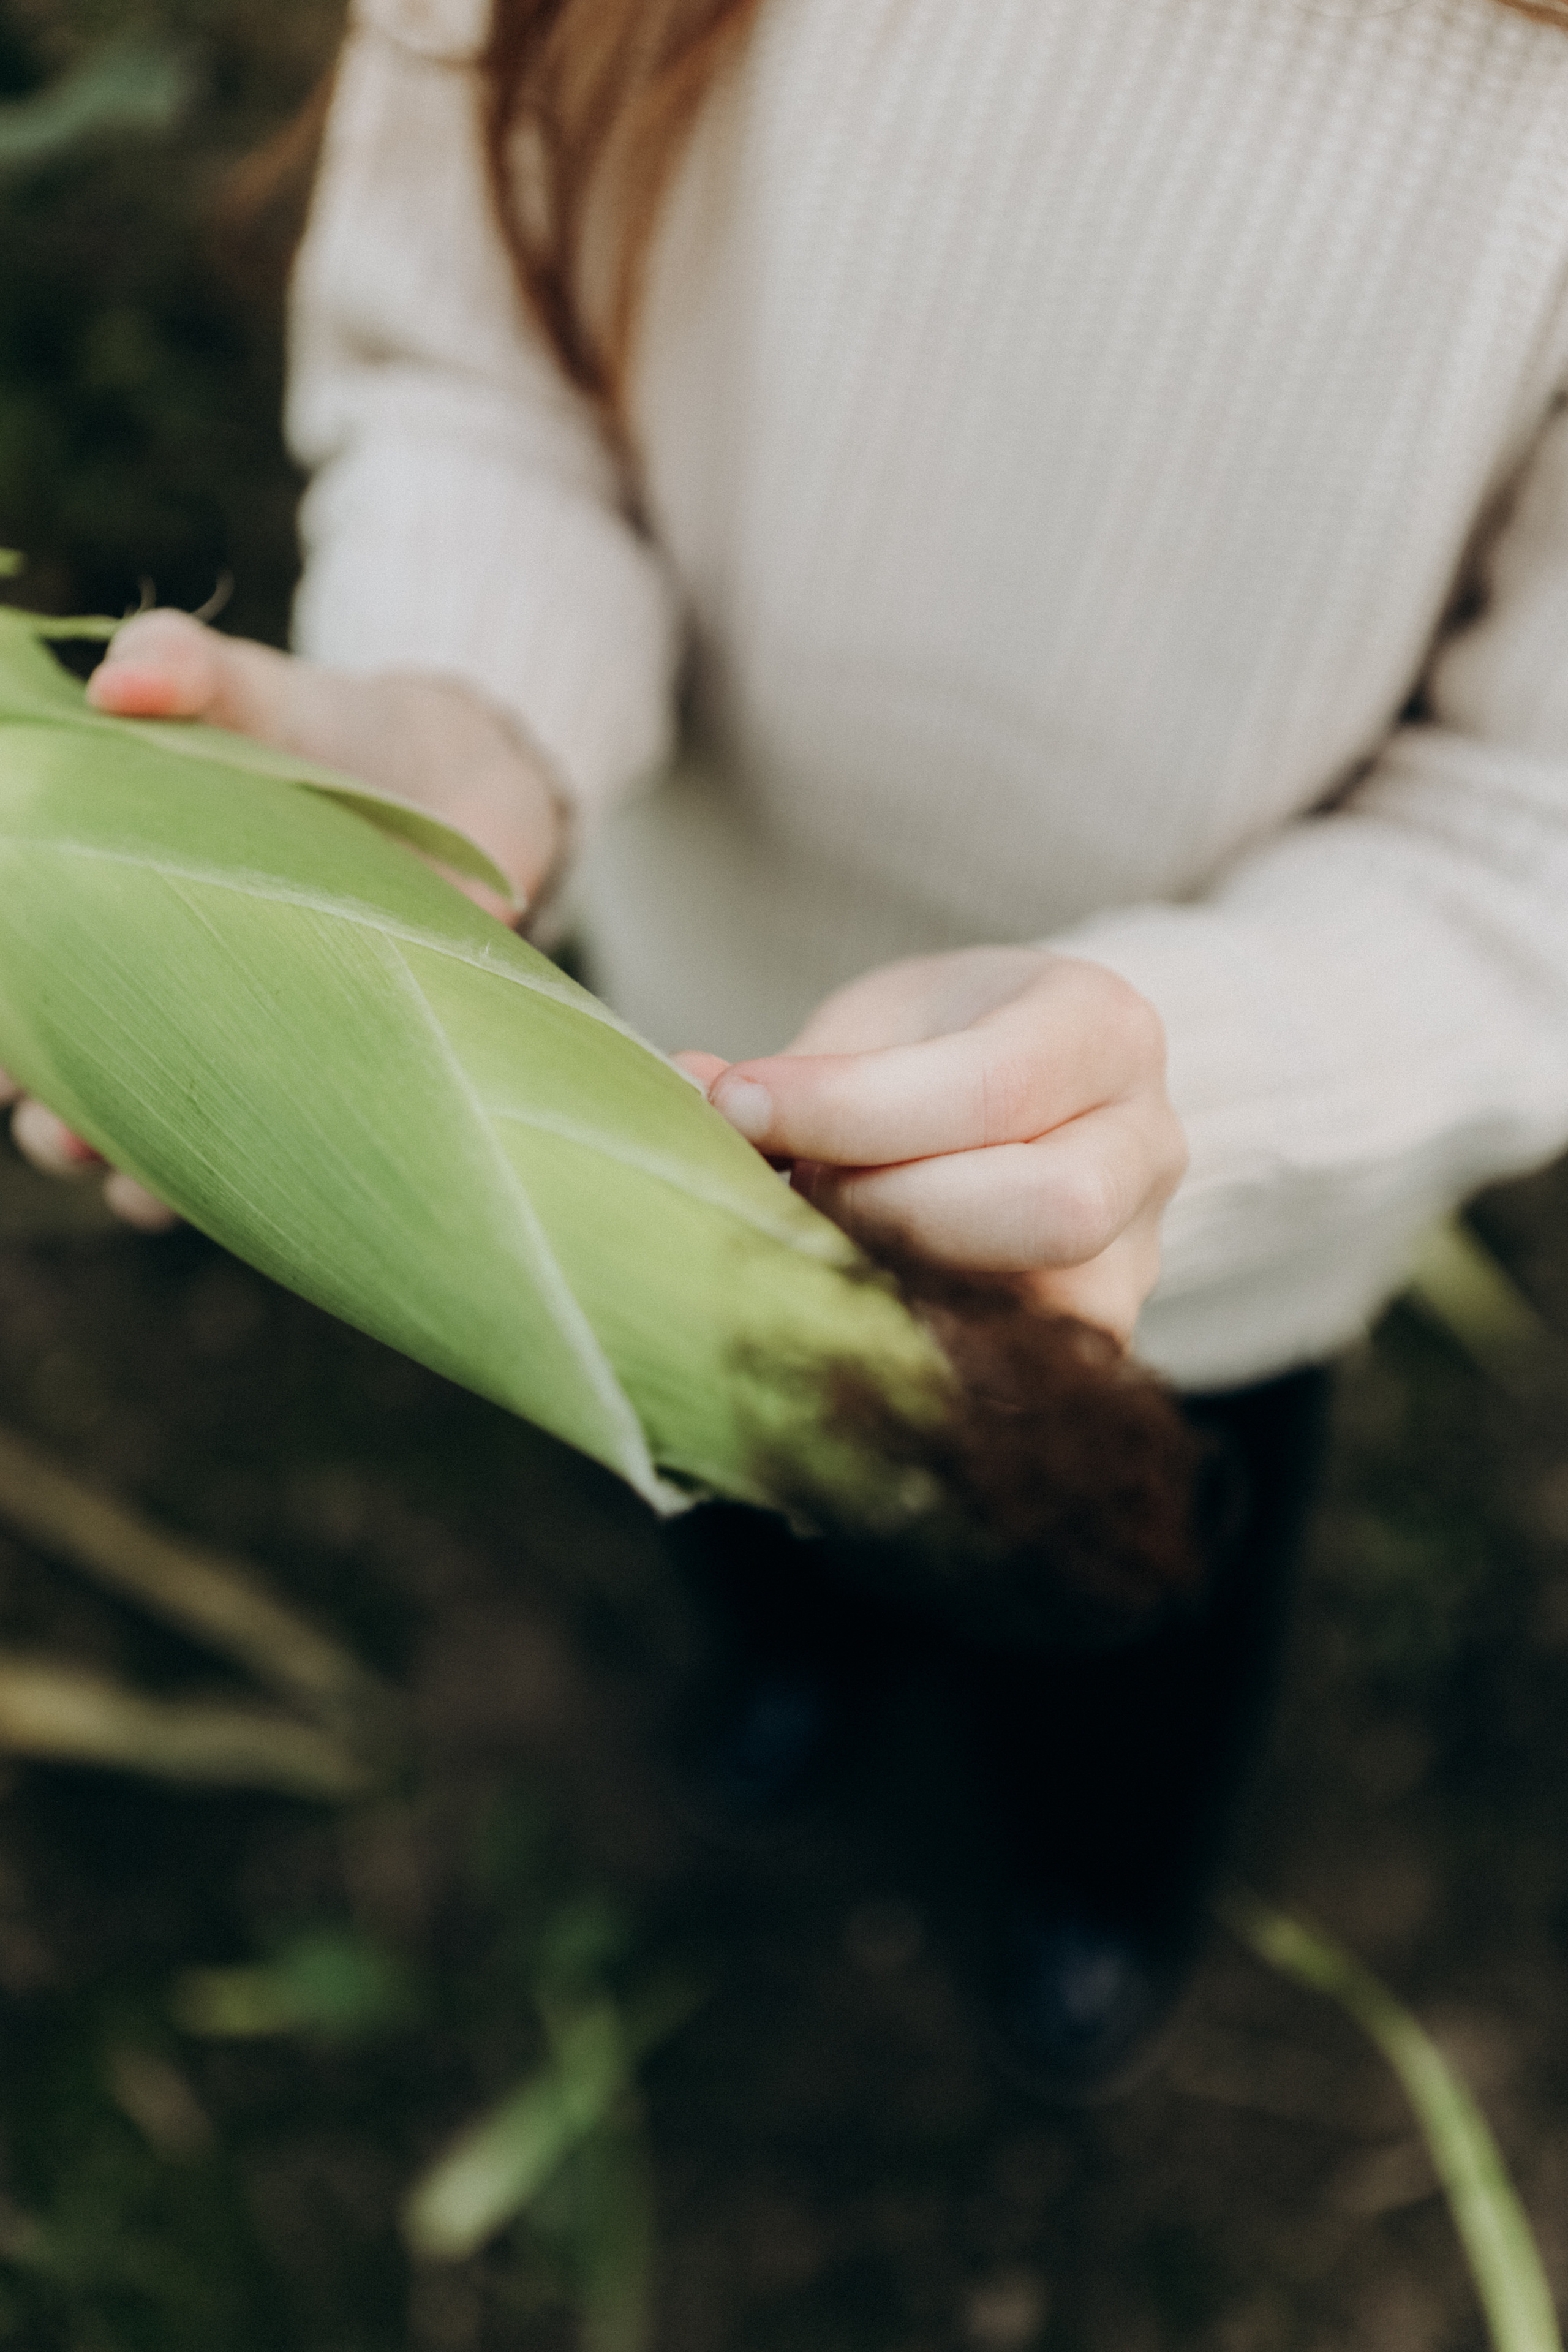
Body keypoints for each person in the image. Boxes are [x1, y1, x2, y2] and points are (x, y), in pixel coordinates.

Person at [15, 0, 1568, 2095]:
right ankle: (799, 1678)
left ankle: (1093, 1883)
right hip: (684, 1058)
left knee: (1131, 1596)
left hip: (1166, 1203)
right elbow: (487, 372)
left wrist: (1183, 1079)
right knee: (762, 1496)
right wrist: (461, 723)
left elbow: (1527, 834)